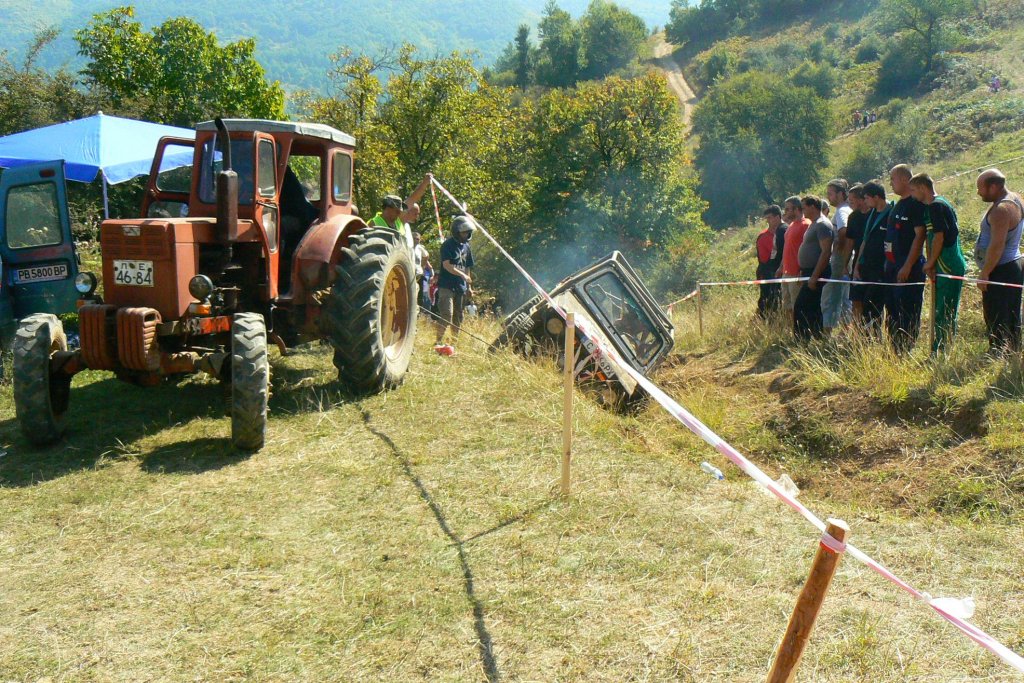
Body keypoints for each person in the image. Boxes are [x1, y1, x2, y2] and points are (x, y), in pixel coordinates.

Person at [909, 173, 968, 354]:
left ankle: (942, 351)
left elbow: (940, 237)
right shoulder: (934, 206)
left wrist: (930, 262)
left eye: (913, 190)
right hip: (942, 264)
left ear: (922, 187)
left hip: (948, 263)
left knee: (945, 310)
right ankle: (939, 349)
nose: (912, 195)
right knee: (941, 309)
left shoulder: (937, 206)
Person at [974, 168, 1024, 353]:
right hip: (1010, 265)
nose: (978, 192)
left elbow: (997, 245)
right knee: (1010, 313)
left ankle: (999, 353)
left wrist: (985, 272)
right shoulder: (1015, 198)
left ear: (993, 186)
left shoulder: (1002, 209)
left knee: (997, 314)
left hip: (1001, 268)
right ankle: (1012, 351)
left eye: (981, 188)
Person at [884, 164, 927, 354]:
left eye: (892, 179)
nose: (890, 183)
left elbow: (920, 236)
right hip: (892, 268)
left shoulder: (915, 204)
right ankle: (895, 350)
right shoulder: (897, 204)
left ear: (903, 179)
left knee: (908, 310)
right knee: (892, 311)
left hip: (908, 268)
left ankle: (907, 350)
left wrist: (908, 265)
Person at [794, 195, 835, 341]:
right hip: (808, 271)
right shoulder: (814, 223)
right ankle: (818, 338)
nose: (802, 210)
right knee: (813, 307)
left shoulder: (823, 224)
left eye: (804, 207)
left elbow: (826, 251)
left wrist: (814, 276)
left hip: (817, 272)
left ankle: (801, 340)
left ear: (812, 206)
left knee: (801, 306)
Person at [855, 182, 893, 333]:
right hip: (866, 267)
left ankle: (873, 339)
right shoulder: (871, 214)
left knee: (873, 305)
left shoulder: (891, 212)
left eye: (866, 198)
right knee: (865, 305)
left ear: (876, 197)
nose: (865, 202)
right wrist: (857, 264)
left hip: (881, 269)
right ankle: (867, 340)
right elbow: (865, 239)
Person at [435, 215, 477, 349]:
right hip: (446, 285)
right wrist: (463, 276)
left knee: (458, 316)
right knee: (447, 314)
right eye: (465, 231)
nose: (467, 234)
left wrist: (469, 286)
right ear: (457, 231)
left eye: (468, 232)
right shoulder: (447, 245)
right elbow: (447, 265)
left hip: (461, 287)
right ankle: (438, 341)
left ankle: (454, 343)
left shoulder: (467, 247)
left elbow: (467, 267)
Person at [367, 173, 433, 250]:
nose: (400, 214)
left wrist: (425, 183)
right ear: (388, 209)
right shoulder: (373, 224)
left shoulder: (398, 220)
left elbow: (413, 198)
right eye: (397, 211)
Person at [822, 179, 854, 332]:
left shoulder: (842, 211)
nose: (829, 197)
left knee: (834, 296)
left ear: (841, 194)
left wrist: (839, 254)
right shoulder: (845, 209)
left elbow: (844, 232)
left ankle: (829, 331)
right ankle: (846, 331)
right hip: (844, 259)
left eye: (831, 194)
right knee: (845, 298)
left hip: (840, 260)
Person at [777, 196, 810, 321]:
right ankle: (790, 332)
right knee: (787, 305)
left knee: (797, 305)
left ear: (796, 209)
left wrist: (802, 270)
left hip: (796, 273)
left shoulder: (806, 225)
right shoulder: (791, 226)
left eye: (787, 209)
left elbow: (808, 249)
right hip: (786, 272)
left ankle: (799, 333)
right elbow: (787, 248)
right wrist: (781, 267)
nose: (785, 212)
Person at [756, 205, 787, 319]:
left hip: (779, 269)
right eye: (766, 218)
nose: (768, 221)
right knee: (767, 297)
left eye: (769, 218)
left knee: (779, 297)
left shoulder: (783, 231)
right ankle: (764, 319)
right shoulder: (763, 237)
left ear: (778, 217)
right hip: (767, 271)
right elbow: (764, 259)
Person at [844, 184, 870, 322]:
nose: (849, 203)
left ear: (861, 199)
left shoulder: (874, 214)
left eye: (852, 200)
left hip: (872, 262)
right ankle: (856, 333)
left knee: (871, 300)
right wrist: (845, 263)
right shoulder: (853, 217)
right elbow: (849, 242)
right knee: (856, 299)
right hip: (856, 265)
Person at [412, 231, 433, 309]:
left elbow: (426, 256)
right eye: (414, 238)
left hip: (418, 274)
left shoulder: (420, 248)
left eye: (417, 239)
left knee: (420, 294)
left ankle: (419, 311)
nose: (415, 240)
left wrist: (422, 266)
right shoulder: (407, 245)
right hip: (409, 272)